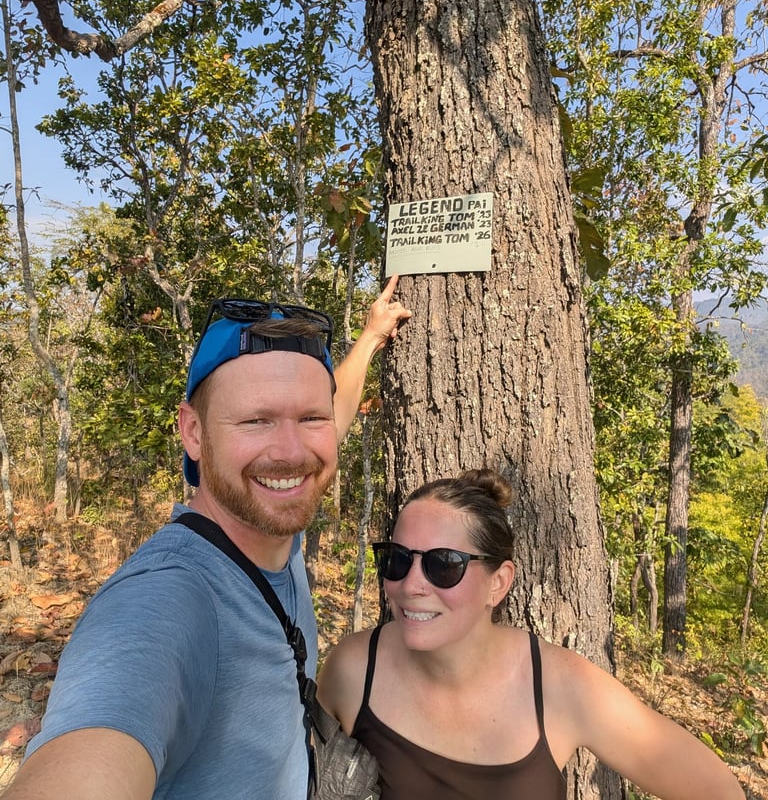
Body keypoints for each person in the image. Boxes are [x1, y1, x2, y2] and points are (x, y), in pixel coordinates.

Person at [1, 277, 411, 800]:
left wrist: (371, 338)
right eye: (256, 420)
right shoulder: (166, 599)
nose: (290, 451)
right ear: (193, 432)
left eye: (311, 418)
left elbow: (331, 419)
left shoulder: (270, 518)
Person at [317, 468, 746, 800]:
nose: (410, 584)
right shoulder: (354, 670)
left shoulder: (562, 686)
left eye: (443, 564)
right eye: (397, 559)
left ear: (498, 583)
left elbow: (716, 790)